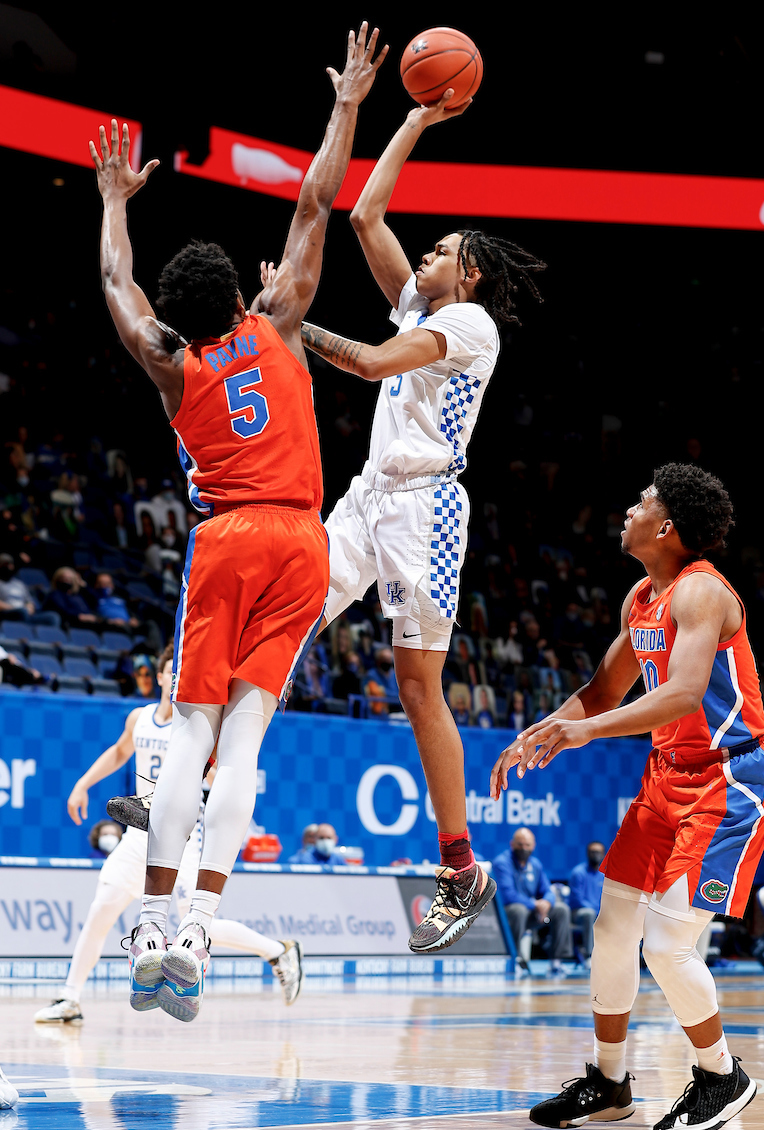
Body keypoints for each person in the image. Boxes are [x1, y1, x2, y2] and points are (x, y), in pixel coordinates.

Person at [89, 25, 386, 1021]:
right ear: (241, 298)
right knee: (249, 739)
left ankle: (160, 923)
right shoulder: (285, 318)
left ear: (183, 315)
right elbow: (313, 202)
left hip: (228, 539)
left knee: (190, 729)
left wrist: (113, 206)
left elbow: (114, 288)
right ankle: (204, 934)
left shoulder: (173, 366)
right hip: (304, 541)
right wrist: (346, 101)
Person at [298, 90, 547, 954]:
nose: (427, 256)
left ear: (469, 274)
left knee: (416, 688)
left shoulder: (470, 325)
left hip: (427, 510)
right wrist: (413, 121)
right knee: (286, 611)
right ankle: (187, 770)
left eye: (441, 251)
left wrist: (288, 323)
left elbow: (366, 365)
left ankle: (459, 867)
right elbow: (366, 212)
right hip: (370, 497)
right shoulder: (421, 307)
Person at [491, 463, 764, 1130]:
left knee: (669, 944)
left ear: (669, 526)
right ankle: (609, 1082)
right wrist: (542, 734)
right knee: (614, 928)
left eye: (643, 501)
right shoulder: (641, 597)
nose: (630, 508)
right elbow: (600, 690)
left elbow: (681, 694)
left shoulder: (701, 594)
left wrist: (584, 731)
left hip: (726, 779)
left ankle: (720, 1075)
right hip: (665, 775)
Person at [33, 645, 303, 1026]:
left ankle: (277, 950)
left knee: (192, 926)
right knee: (100, 912)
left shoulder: (198, 722)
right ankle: (70, 998)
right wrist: (82, 784)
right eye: (170, 670)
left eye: (181, 668)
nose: (175, 674)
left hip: (182, 841)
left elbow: (217, 776)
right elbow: (118, 752)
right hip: (136, 838)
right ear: (160, 677)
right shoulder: (139, 718)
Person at [492, 828, 572, 974]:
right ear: (512, 844)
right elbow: (508, 895)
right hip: (509, 914)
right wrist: (535, 904)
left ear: (533, 846)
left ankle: (556, 961)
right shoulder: (501, 863)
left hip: (533, 913)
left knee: (561, 910)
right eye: (520, 844)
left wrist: (546, 903)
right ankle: (514, 959)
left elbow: (548, 890)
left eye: (527, 845)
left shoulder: (535, 865)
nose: (524, 848)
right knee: (518, 910)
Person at [568, 841, 606, 960]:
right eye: (593, 852)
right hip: (578, 912)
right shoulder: (578, 873)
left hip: (599, 912)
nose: (596, 855)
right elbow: (577, 899)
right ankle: (589, 956)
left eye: (598, 852)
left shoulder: (605, 875)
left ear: (604, 854)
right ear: (587, 854)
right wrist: (596, 911)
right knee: (589, 914)